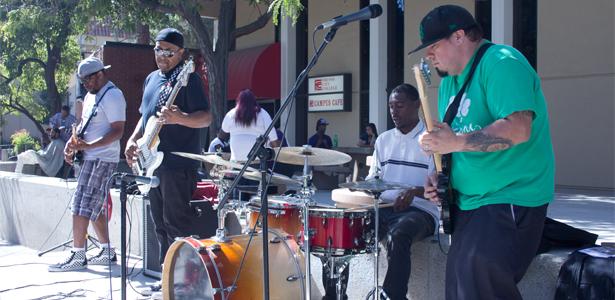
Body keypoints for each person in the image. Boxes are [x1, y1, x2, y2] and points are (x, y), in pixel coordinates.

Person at [413, 5, 554, 300]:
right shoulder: (450, 83)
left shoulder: (502, 62)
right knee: (460, 289)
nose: (429, 55)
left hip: (509, 198)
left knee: (479, 285)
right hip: (470, 205)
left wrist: (455, 143)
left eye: (434, 46)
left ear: (459, 36)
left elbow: (518, 129)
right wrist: (439, 178)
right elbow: (453, 143)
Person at [322, 84, 439, 300]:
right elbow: (374, 179)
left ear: (417, 105)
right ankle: (334, 295)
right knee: (341, 230)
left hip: (421, 211)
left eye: (400, 106)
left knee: (399, 234)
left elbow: (439, 187)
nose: (394, 111)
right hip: (384, 208)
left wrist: (414, 192)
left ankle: (393, 296)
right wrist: (362, 187)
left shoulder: (432, 140)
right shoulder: (384, 140)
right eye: (391, 106)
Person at [124, 28, 214, 270]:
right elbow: (145, 118)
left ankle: (183, 280)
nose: (162, 56)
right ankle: (166, 279)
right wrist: (133, 140)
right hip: (151, 164)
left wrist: (180, 118)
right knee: (159, 227)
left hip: (177, 166)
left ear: (181, 53)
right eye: (158, 49)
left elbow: (206, 118)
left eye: (168, 52)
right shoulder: (151, 79)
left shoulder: (189, 78)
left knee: (176, 225)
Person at [48, 56, 126, 272]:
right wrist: (72, 145)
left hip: (101, 158)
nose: (84, 84)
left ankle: (77, 254)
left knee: (80, 204)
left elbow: (118, 130)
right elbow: (84, 124)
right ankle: (107, 251)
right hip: (90, 157)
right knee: (94, 207)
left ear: (100, 74)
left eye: (87, 80)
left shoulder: (113, 96)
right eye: (82, 81)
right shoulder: (92, 95)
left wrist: (87, 146)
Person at [221, 89, 280, 161]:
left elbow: (222, 133)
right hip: (256, 160)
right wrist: (277, 155)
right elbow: (273, 139)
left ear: (238, 101)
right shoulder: (263, 113)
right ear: (254, 101)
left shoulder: (231, 113)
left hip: (236, 160)